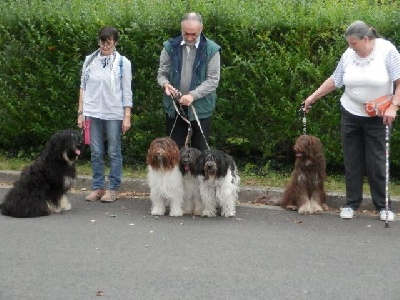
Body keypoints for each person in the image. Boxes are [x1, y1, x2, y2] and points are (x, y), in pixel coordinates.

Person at [303, 20, 400, 221]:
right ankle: (351, 203)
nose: (350, 48)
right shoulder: (349, 54)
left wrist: (394, 106)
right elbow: (336, 79)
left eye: (354, 43)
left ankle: (383, 206)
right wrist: (313, 97)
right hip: (350, 111)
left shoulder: (387, 51)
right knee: (352, 159)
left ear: (366, 39)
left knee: (377, 162)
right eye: (349, 44)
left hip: (377, 116)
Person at [77, 26, 133, 202]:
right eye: (102, 41)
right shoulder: (89, 61)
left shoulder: (123, 63)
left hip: (114, 112)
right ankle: (98, 187)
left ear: (115, 42)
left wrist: (127, 116)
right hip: (93, 111)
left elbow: (127, 91)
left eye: (109, 42)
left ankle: (114, 188)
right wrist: (81, 113)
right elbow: (83, 88)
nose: (105, 45)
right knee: (96, 152)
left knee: (114, 151)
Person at [157, 12, 221, 151]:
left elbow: (213, 80)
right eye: (186, 33)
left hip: (201, 109)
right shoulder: (169, 46)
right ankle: (176, 174)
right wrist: (165, 85)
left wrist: (192, 95)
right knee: (174, 152)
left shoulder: (212, 49)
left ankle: (198, 174)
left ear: (201, 29)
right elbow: (162, 74)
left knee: (201, 153)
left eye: (194, 34)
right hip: (175, 108)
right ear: (181, 28)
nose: (190, 37)